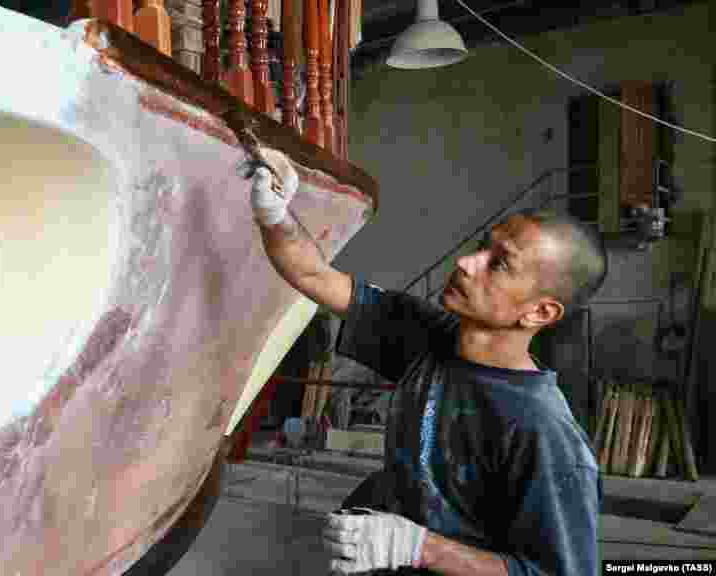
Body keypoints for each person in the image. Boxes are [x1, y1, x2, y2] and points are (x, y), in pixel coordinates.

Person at [247, 148, 605, 576]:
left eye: (499, 264)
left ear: (540, 312)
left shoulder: (542, 432)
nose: (466, 263)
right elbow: (313, 275)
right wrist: (276, 212)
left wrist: (420, 547)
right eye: (482, 247)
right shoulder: (427, 337)